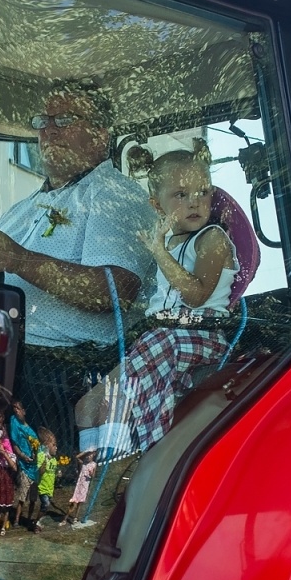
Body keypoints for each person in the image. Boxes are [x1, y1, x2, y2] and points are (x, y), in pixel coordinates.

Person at [0, 89, 156, 451]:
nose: (49, 130)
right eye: (43, 121)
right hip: (3, 367)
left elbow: (112, 292)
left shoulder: (114, 194)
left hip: (64, 380)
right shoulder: (23, 208)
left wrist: (21, 260)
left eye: (65, 120)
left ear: (101, 134)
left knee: (49, 484)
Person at [113, 145, 239, 450]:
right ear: (158, 206)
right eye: (181, 194)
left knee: (156, 346)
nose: (194, 201)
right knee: (121, 366)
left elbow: (195, 295)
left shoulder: (212, 239)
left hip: (203, 332)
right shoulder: (170, 242)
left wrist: (159, 253)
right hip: (170, 333)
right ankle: (119, 437)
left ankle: (147, 445)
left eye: (202, 192)